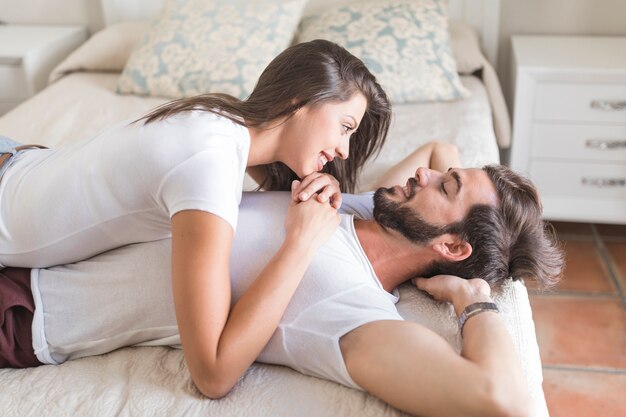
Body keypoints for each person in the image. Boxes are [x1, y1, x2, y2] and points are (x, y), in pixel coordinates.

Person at [1, 142, 564, 417]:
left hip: (31, 294)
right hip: (41, 197)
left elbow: (505, 401)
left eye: (445, 187)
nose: (426, 172)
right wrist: (453, 192)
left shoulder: (359, 315)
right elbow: (440, 146)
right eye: (443, 177)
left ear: (450, 247)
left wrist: (475, 299)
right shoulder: (365, 209)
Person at [0, 39, 392, 396]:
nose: (343, 149)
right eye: (345, 128)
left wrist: (318, 183)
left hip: (18, 162)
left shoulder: (220, 120)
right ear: (299, 100)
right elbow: (213, 374)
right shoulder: (209, 165)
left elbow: (269, 190)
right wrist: (302, 243)